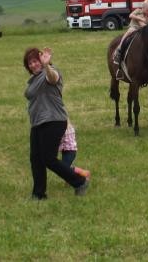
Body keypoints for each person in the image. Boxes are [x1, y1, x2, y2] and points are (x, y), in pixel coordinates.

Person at [23, 47, 89, 199]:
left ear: (42, 60)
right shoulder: (33, 79)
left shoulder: (50, 72)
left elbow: (53, 78)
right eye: (30, 63)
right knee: (36, 159)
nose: (33, 65)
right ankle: (38, 194)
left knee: (48, 158)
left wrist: (46, 65)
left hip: (53, 121)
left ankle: (79, 181)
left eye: (35, 61)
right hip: (38, 123)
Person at [113, 0, 148, 64]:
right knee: (129, 32)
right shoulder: (138, 11)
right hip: (134, 27)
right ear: (143, 8)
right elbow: (130, 15)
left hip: (141, 29)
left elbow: (145, 25)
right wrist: (140, 18)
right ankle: (120, 47)